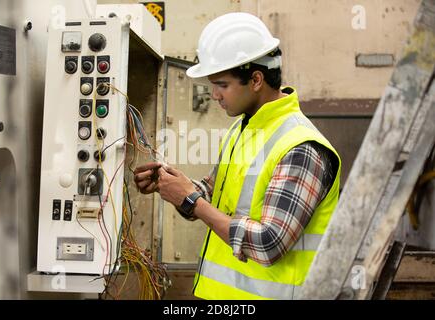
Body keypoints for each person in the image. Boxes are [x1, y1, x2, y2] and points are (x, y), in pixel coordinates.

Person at [134, 12, 341, 300]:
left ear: (256, 79)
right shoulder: (241, 128)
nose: (214, 95)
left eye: (222, 85)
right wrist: (172, 185)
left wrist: (191, 201)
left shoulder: (301, 147)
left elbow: (269, 243)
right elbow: (213, 194)